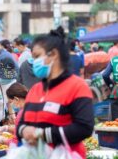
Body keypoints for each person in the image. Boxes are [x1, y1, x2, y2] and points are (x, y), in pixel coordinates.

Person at [17, 27, 94, 158]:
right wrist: (24, 131)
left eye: (36, 56)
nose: (34, 61)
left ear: (53, 54)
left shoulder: (77, 86)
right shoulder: (35, 90)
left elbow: (84, 128)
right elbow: (21, 124)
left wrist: (42, 134)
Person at [0, 82, 28, 159]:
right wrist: (6, 128)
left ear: (16, 99)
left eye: (10, 102)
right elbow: (21, 129)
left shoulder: (23, 113)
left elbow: (17, 142)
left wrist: (2, 140)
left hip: (24, 151)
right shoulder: (30, 107)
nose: (11, 105)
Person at [102, 55, 118, 120]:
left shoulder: (114, 60)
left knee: (115, 121)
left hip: (116, 90)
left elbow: (105, 75)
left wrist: (111, 85)